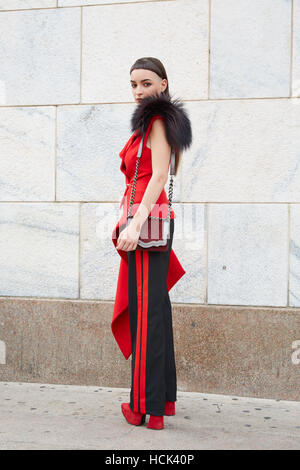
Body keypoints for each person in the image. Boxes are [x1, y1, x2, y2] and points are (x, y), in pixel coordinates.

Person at [111, 57, 192, 430]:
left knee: (147, 316)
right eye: (133, 84)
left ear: (163, 84)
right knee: (156, 310)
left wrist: (134, 225)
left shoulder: (157, 121)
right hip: (149, 223)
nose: (139, 91)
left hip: (147, 227)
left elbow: (159, 175)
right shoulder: (153, 123)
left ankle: (144, 406)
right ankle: (162, 403)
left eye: (146, 83)